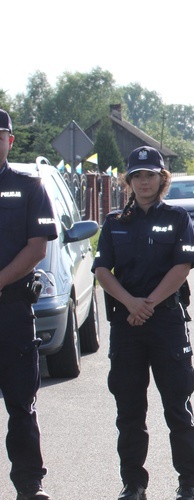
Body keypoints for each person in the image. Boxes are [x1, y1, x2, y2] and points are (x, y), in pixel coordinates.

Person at [93, 146, 194, 500]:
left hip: (165, 321)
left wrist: (149, 304)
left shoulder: (177, 218)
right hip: (127, 324)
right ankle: (134, 483)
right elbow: (101, 271)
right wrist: (130, 303)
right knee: (129, 411)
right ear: (129, 180)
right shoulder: (114, 222)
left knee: (177, 408)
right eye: (137, 176)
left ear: (162, 179)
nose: (144, 182)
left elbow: (182, 267)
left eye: (150, 175)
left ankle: (188, 483)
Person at [0, 109, 56, 500]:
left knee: (21, 405)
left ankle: (28, 485)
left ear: (9, 141)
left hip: (11, 311)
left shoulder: (29, 187)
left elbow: (38, 247)